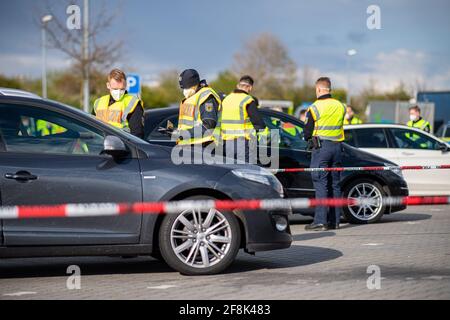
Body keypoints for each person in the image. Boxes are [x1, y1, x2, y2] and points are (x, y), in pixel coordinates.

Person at [303, 77, 346, 231]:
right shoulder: (341, 106)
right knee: (335, 184)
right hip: (337, 148)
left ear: (319, 89)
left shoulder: (314, 107)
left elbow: (307, 132)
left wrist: (308, 138)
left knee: (320, 184)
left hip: (322, 149)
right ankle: (334, 221)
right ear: (329, 89)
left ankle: (320, 221)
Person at [220, 75, 267, 162]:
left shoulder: (226, 99)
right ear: (250, 87)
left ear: (238, 85)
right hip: (242, 143)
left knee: (231, 171)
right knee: (245, 172)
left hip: (226, 143)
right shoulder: (247, 100)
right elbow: (259, 124)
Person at [93, 68, 145, 138]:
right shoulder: (98, 102)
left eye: (122, 89)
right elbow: (91, 126)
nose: (118, 92)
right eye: (115, 89)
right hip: (98, 144)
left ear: (125, 85)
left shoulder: (133, 102)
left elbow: (137, 134)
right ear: (108, 85)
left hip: (121, 146)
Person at [176, 69, 221, 147]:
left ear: (194, 85)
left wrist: (183, 134)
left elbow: (208, 126)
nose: (184, 91)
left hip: (206, 146)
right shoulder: (192, 97)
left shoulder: (206, 97)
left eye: (186, 88)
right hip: (192, 146)